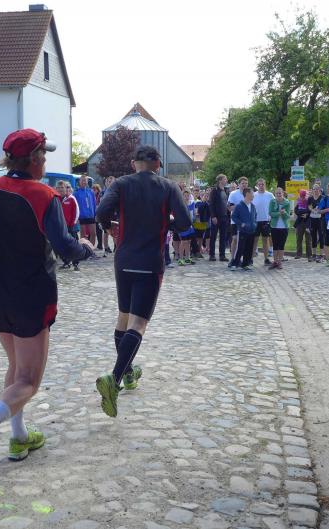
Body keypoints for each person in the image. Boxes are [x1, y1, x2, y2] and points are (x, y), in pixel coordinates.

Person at [0, 128, 94, 484]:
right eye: (44, 155)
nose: (46, 161)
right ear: (34, 159)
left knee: (15, 368)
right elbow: (65, 247)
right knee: (28, 380)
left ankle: (19, 436)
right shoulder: (44, 195)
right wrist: (86, 249)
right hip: (32, 293)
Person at [94, 145, 191, 417]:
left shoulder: (121, 184)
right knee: (138, 324)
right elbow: (185, 222)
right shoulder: (168, 187)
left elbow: (101, 212)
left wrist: (109, 227)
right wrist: (166, 223)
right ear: (158, 164)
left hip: (123, 259)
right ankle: (114, 378)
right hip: (150, 261)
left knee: (123, 318)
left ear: (133, 163)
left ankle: (127, 374)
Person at [229, 187, 257, 271]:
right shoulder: (239, 206)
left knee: (249, 248)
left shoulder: (253, 206)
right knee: (240, 248)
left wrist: (254, 224)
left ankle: (245, 264)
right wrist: (241, 224)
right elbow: (233, 217)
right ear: (247, 194)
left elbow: (255, 216)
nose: (253, 195)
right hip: (242, 231)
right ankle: (235, 264)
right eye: (252, 194)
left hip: (251, 231)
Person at [56, 180, 81, 271]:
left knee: (73, 246)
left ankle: (76, 263)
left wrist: (72, 224)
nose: (61, 189)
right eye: (59, 188)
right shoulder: (56, 199)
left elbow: (76, 212)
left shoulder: (71, 199)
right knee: (61, 246)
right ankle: (66, 262)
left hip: (71, 227)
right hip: (60, 227)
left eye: (63, 187)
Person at [252, 178, 275, 265]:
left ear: (265, 185)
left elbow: (275, 204)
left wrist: (271, 216)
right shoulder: (253, 195)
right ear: (257, 185)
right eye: (259, 184)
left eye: (263, 184)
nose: (261, 186)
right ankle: (251, 259)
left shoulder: (270, 195)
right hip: (255, 220)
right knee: (255, 240)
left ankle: (266, 259)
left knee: (266, 240)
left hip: (266, 221)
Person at [207, 174, 229, 261]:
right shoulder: (214, 190)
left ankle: (222, 255)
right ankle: (212, 255)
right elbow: (211, 204)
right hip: (216, 217)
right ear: (220, 180)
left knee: (223, 237)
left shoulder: (226, 190)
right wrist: (213, 216)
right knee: (213, 236)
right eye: (225, 179)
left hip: (224, 217)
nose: (226, 180)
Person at [268, 187, 291, 270]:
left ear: (283, 193)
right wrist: (279, 213)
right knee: (275, 245)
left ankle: (280, 262)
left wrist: (284, 213)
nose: (278, 195)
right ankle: (275, 261)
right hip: (274, 226)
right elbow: (270, 213)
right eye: (277, 193)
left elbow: (288, 216)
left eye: (280, 193)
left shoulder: (287, 202)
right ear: (275, 194)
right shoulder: (272, 201)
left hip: (284, 227)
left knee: (281, 245)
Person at [227, 177, 248, 261]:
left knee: (244, 240)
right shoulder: (233, 194)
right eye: (242, 183)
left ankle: (242, 259)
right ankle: (233, 258)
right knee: (235, 239)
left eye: (246, 183)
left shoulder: (249, 193)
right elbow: (230, 208)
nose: (244, 185)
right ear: (239, 185)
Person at [74, 175, 97, 246]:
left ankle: (91, 249)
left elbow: (94, 203)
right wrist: (77, 217)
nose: (84, 182)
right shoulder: (76, 193)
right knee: (83, 235)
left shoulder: (91, 192)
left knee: (93, 234)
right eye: (82, 180)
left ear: (87, 182)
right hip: (82, 216)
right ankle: (84, 249)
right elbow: (75, 206)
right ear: (79, 182)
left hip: (91, 216)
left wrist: (95, 214)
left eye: (85, 180)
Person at [307, 184, 326, 263]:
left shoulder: (323, 198)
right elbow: (308, 206)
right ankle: (314, 255)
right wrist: (311, 209)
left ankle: (321, 255)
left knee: (321, 237)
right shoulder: (310, 198)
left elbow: (325, 208)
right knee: (313, 237)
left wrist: (319, 210)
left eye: (317, 189)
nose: (315, 190)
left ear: (320, 190)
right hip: (312, 219)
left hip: (320, 219)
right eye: (314, 189)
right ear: (312, 190)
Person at [293, 189, 312, 261]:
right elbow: (296, 210)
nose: (303, 197)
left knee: (308, 240)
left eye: (304, 196)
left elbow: (311, 211)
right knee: (299, 239)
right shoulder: (299, 201)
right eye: (301, 196)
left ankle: (309, 255)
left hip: (308, 223)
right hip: (300, 223)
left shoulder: (309, 201)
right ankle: (298, 254)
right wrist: (301, 214)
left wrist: (307, 214)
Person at [101, 176, 116, 255]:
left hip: (114, 214)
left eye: (111, 181)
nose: (110, 183)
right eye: (108, 181)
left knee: (115, 231)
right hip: (106, 214)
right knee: (106, 232)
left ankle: (116, 246)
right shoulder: (103, 192)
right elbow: (100, 203)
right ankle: (106, 247)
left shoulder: (116, 191)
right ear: (106, 183)